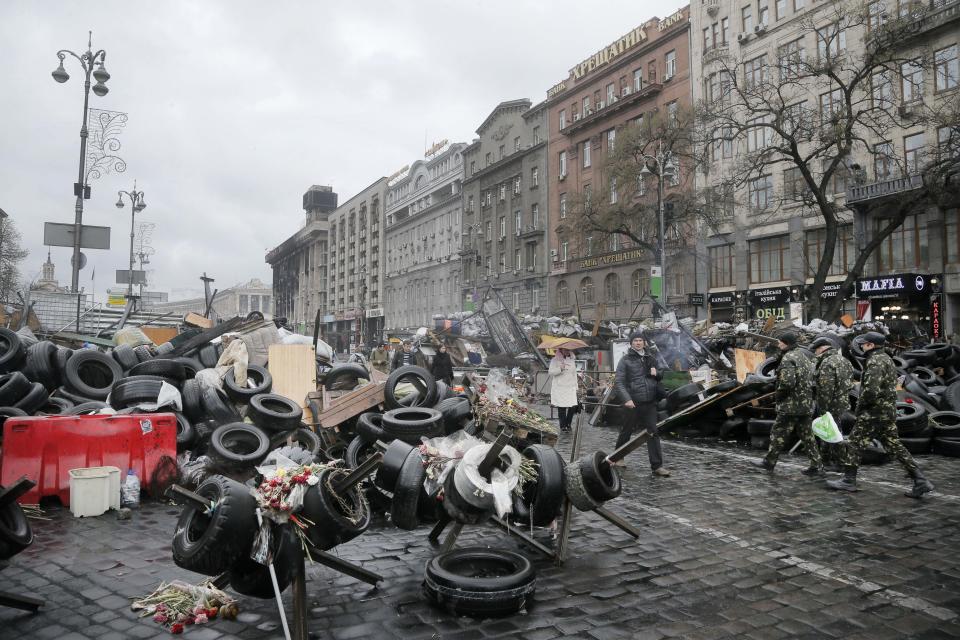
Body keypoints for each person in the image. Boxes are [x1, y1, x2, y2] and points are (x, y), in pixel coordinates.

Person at [826, 332, 934, 498]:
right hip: (886, 410)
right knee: (894, 445)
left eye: (864, 344)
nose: (861, 346)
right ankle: (920, 480)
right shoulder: (886, 358)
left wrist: (860, 407)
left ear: (871, 345)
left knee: (854, 443)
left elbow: (870, 390)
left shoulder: (875, 361)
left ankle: (848, 480)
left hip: (873, 412)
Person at [751, 332, 822, 475]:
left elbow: (787, 383)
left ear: (786, 343)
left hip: (790, 405)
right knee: (807, 436)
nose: (778, 344)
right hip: (806, 404)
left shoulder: (788, 358)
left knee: (778, 433)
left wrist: (778, 396)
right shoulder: (804, 357)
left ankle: (769, 462)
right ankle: (817, 465)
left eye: (780, 342)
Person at [614, 331, 670, 476]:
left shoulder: (650, 358)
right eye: (635, 340)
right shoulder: (625, 360)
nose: (638, 343)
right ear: (631, 343)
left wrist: (656, 373)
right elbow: (619, 382)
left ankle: (657, 466)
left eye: (640, 340)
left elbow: (660, 375)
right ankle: (618, 456)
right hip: (633, 401)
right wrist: (626, 399)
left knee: (653, 433)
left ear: (644, 342)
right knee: (627, 430)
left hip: (650, 401)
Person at [810, 335, 854, 470]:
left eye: (816, 350)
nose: (815, 353)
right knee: (830, 431)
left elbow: (825, 389)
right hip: (842, 401)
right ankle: (826, 460)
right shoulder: (844, 361)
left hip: (830, 403)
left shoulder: (827, 362)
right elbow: (850, 382)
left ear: (822, 348)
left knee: (834, 432)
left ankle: (841, 462)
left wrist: (822, 408)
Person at [548, 347, 579, 432]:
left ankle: (568, 423)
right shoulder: (554, 360)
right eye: (565, 350)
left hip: (570, 387)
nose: (567, 351)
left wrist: (576, 387)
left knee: (572, 407)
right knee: (561, 408)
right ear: (561, 350)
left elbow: (574, 374)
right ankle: (563, 426)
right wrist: (560, 368)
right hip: (560, 387)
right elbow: (550, 372)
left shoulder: (572, 360)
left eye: (568, 349)